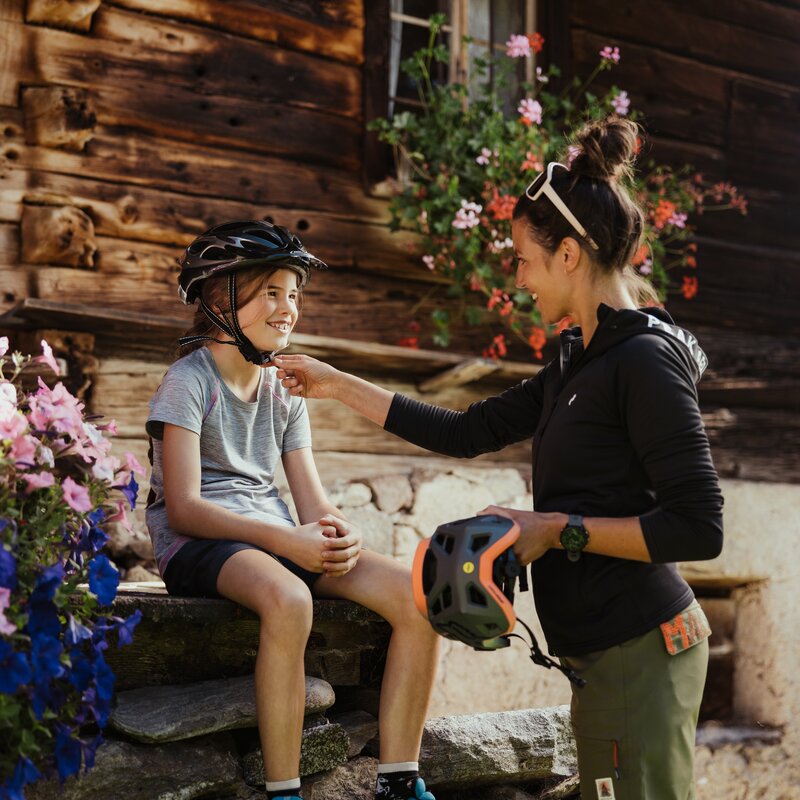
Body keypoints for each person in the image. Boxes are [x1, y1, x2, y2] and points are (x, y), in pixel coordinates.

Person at [274, 118, 724, 800]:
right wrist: (335, 384)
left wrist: (557, 529)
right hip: (603, 655)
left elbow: (699, 527)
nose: (517, 278)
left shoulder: (643, 360)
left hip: (642, 649)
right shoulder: (576, 361)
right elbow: (467, 430)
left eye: (522, 259)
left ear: (568, 254)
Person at [145, 220, 439, 800]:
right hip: (201, 545)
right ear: (219, 299)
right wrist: (287, 541)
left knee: (419, 597)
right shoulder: (187, 382)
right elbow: (184, 509)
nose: (289, 308)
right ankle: (284, 791)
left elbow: (312, 502)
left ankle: (400, 781)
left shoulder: (285, 389)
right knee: (290, 598)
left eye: (295, 294)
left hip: (275, 538)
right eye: (272, 292)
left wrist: (340, 532)